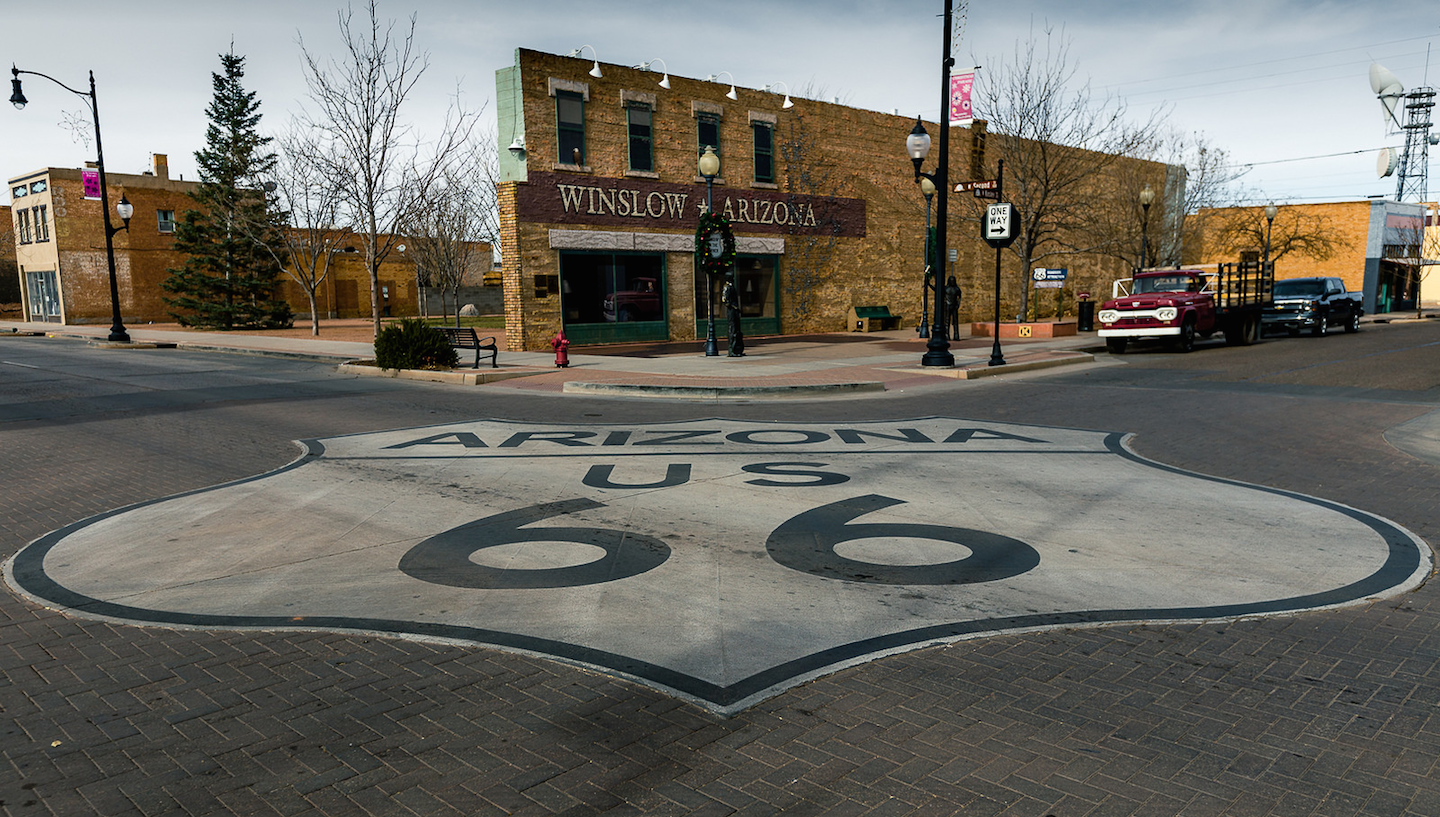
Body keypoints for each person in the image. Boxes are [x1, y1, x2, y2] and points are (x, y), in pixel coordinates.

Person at [722, 278, 745, 357]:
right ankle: (731, 350)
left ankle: (737, 349)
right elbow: (725, 300)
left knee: (737, 329)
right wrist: (733, 306)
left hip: (735, 310)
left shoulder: (732, 286)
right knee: (732, 328)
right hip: (731, 311)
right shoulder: (727, 287)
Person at [945, 276, 962, 340]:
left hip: (954, 306)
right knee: (947, 321)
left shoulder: (956, 289)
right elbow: (937, 290)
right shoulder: (946, 288)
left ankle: (956, 335)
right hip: (948, 306)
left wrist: (958, 304)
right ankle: (947, 335)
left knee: (955, 321)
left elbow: (959, 297)